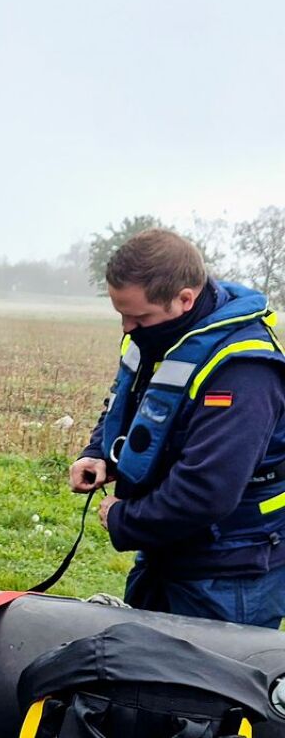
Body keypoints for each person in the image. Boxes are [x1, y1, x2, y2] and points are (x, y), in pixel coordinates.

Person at [69, 228, 285, 627]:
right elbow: (125, 404)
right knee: (140, 677)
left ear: (185, 299)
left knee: (210, 686)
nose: (126, 327)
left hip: (227, 573)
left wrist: (123, 519)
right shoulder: (156, 338)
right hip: (164, 552)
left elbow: (208, 490)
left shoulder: (243, 372)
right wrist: (99, 453)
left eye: (138, 315)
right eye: (120, 313)